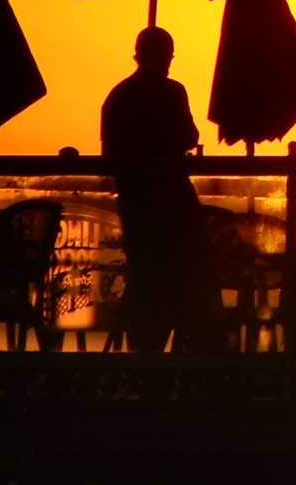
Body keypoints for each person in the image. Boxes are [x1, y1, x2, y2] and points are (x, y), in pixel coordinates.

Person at [101, 27, 211, 350]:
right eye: (166, 57)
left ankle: (143, 352)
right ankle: (179, 352)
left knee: (146, 278)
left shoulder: (119, 95)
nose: (167, 63)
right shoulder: (173, 92)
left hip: (136, 203)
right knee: (181, 277)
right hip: (173, 203)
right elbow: (190, 137)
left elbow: (110, 154)